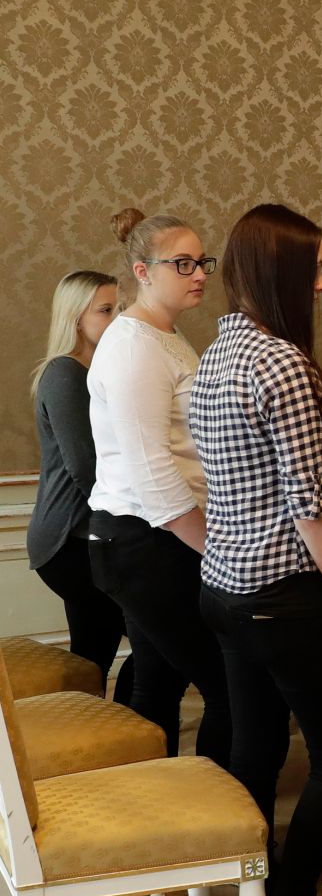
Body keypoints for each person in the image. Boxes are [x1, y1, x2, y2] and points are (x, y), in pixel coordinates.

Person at [191, 203, 322, 896]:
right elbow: (310, 505)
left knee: (255, 755)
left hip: (223, 587)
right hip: (281, 592)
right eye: (317, 268)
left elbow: (249, 485)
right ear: (283, 274)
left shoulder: (215, 356)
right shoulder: (282, 364)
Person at [86, 209, 230, 760]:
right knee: (228, 688)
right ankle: (221, 821)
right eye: (183, 263)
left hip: (157, 538)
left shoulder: (165, 336)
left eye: (202, 262)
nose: (199, 274)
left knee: (159, 683)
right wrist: (218, 552)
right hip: (142, 541)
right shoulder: (133, 346)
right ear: (143, 272)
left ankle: (163, 817)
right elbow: (154, 476)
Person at [27, 271, 135, 704]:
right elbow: (86, 467)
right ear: (75, 318)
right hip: (68, 540)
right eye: (106, 310)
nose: (118, 318)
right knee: (153, 638)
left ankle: (93, 744)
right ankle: (134, 731)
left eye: (120, 308)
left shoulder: (94, 371)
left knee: (93, 651)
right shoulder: (65, 374)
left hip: (83, 533)